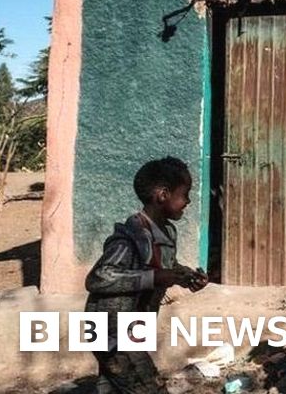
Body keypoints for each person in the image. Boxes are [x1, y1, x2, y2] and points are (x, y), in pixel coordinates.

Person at [84, 157, 208, 394]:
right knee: (149, 387)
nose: (188, 201)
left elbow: (165, 266)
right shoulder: (130, 238)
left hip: (133, 328)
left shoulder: (166, 232)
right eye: (185, 194)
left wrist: (186, 276)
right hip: (113, 331)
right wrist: (156, 277)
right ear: (163, 195)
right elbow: (99, 277)